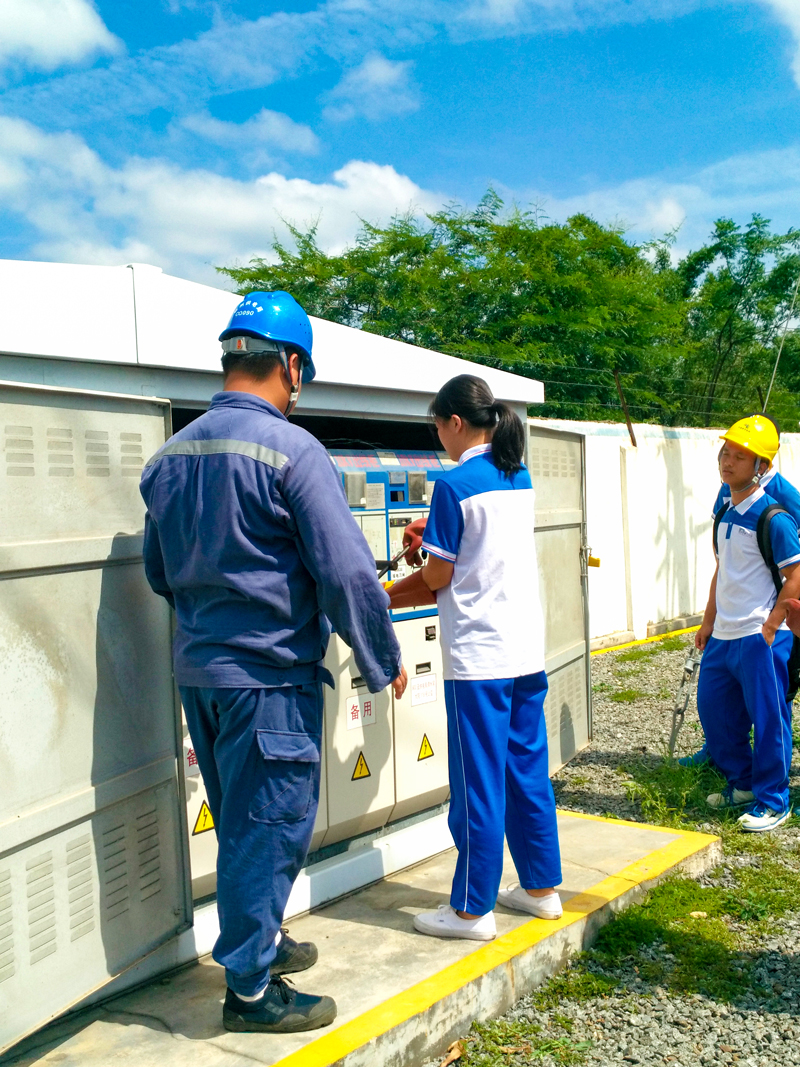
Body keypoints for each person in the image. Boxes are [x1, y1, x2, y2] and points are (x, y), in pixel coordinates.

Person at [140, 291, 407, 1032]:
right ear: (291, 365)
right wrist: (382, 659)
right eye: (301, 376)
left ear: (232, 358)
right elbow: (348, 574)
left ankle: (262, 938)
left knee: (243, 824)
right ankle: (251, 991)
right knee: (273, 825)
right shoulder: (293, 451)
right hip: (270, 677)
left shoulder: (167, 458)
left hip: (203, 675)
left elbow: (158, 571)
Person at [387, 374, 562, 941]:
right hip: (522, 653)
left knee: (477, 782)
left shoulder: (454, 485)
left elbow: (439, 576)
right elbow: (483, 548)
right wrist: (429, 532)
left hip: (478, 659)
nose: (438, 435)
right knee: (525, 771)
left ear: (455, 422)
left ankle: (470, 909)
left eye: (437, 425)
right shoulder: (518, 475)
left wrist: (379, 595)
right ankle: (541, 890)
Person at [695, 415, 800, 831]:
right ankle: (741, 784)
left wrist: (772, 626)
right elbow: (723, 570)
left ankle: (774, 801)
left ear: (761, 466)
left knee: (769, 717)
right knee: (716, 713)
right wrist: (707, 621)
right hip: (723, 635)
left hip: (759, 636)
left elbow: (796, 574)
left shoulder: (774, 517)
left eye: (740, 456)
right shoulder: (724, 509)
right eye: (726, 452)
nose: (728, 461)